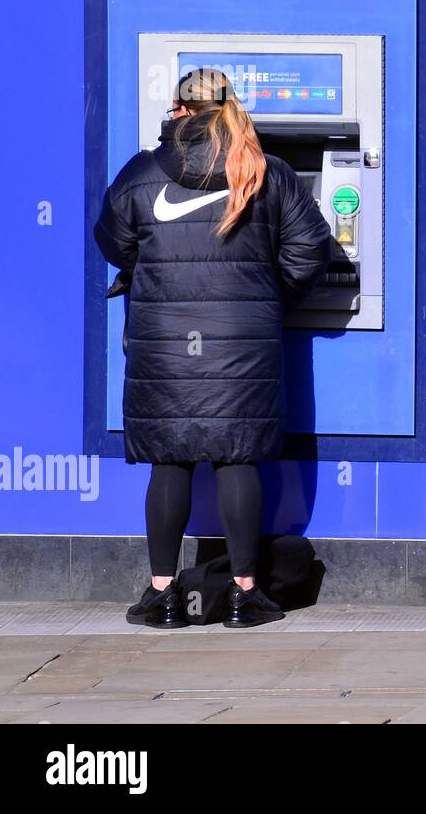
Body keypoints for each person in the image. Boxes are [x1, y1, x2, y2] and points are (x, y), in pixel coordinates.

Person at [94, 67, 332, 628]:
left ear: (179, 110)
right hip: (242, 346)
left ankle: (162, 596)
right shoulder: (265, 171)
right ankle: (245, 595)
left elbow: (111, 239)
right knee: (237, 457)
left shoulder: (143, 172)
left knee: (169, 461)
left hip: (163, 343)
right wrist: (268, 300)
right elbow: (310, 250)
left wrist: (156, 279)